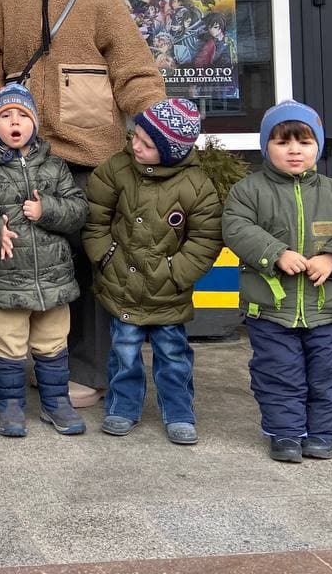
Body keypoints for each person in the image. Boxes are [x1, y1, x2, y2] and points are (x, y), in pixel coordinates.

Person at [0, 0, 165, 407]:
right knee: (34, 257)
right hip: (22, 153)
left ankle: (87, 370)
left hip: (89, 150)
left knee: (87, 258)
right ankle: (45, 357)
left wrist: (157, 123)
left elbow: (133, 67)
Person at [222, 100, 332, 463]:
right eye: (282, 142)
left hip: (326, 308)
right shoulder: (248, 191)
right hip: (271, 308)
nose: (294, 150)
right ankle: (286, 433)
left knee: (328, 374)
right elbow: (236, 227)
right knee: (278, 373)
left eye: (304, 142)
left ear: (318, 146)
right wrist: (275, 252)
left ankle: (322, 433)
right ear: (266, 147)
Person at [82, 98, 222, 445]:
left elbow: (205, 240)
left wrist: (176, 272)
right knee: (123, 351)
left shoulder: (197, 187)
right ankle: (122, 406)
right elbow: (94, 217)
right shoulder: (117, 169)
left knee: (173, 355)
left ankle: (178, 411)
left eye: (147, 143)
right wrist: (106, 256)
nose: (136, 146)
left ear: (171, 152)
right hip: (122, 282)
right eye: (136, 136)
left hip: (168, 291)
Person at [0, 83, 89, 439]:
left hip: (54, 279)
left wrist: (47, 210)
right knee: (10, 346)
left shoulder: (55, 165)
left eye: (22, 115)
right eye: (5, 116)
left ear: (34, 122)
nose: (14, 122)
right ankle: (11, 406)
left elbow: (78, 209)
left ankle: (55, 401)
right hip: (7, 278)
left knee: (52, 343)